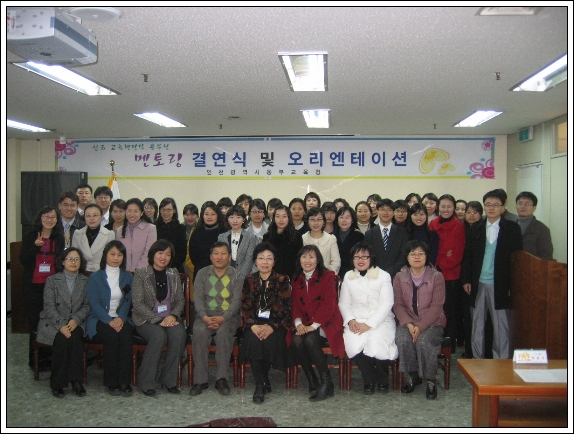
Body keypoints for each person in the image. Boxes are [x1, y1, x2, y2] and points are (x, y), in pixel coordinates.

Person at [462, 189, 523, 359]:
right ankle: (477, 359)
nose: (491, 208)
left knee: (501, 325)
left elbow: (517, 260)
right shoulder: (477, 227)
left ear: (503, 207)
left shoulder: (512, 228)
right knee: (477, 324)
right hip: (478, 283)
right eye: (488, 204)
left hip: (500, 284)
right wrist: (466, 280)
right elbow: (468, 256)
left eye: (496, 205)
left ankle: (501, 360)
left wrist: (512, 285)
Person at [338, 241, 398, 395]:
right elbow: (344, 303)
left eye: (364, 256)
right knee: (354, 343)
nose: (360, 260)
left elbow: (387, 303)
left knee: (378, 341)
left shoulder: (383, 276)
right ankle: (368, 379)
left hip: (381, 320)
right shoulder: (348, 276)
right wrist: (351, 320)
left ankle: (383, 379)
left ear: (372, 258)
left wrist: (370, 324)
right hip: (356, 320)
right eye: (357, 257)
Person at [132, 239, 186, 396]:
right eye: (160, 253)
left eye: (168, 254)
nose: (164, 257)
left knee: (179, 334)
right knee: (158, 336)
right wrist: (158, 320)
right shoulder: (141, 274)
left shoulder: (173, 274)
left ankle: (169, 380)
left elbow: (180, 300)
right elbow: (138, 304)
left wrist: (174, 315)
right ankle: (146, 382)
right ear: (152, 254)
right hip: (146, 319)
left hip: (169, 317)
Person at [393, 240, 446, 400]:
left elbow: (437, 306)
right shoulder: (400, 277)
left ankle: (430, 380)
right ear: (407, 257)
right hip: (408, 321)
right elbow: (398, 304)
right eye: (413, 254)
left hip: (432, 323)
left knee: (423, 341)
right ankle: (413, 375)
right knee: (402, 339)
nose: (417, 257)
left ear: (426, 256)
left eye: (421, 254)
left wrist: (421, 326)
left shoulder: (436, 276)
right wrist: (409, 324)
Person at [239, 242, 292, 404]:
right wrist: (253, 325)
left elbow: (286, 308)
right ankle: (260, 384)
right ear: (255, 261)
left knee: (269, 340)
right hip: (254, 322)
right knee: (253, 339)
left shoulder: (282, 280)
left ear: (274, 262)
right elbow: (245, 306)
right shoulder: (249, 279)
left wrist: (271, 326)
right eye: (261, 258)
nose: (265, 262)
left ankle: (261, 380)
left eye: (269, 258)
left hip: (275, 322)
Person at [290, 245, 344, 401]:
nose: (307, 260)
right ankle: (311, 378)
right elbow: (295, 304)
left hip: (327, 322)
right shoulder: (296, 278)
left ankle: (326, 382)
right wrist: (299, 324)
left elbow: (329, 305)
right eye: (304, 257)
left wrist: (312, 326)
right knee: (296, 339)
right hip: (305, 322)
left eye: (311, 257)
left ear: (318, 259)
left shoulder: (328, 276)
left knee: (310, 338)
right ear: (299, 260)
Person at [189, 242, 244, 396]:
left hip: (229, 317)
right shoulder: (202, 274)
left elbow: (236, 302)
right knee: (199, 330)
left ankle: (222, 378)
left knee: (224, 333)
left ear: (230, 257)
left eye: (223, 253)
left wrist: (223, 318)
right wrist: (205, 317)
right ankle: (200, 380)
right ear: (211, 256)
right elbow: (198, 300)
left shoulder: (237, 275)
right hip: (205, 316)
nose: (220, 257)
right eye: (216, 253)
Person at [36, 248, 90, 398]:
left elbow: (87, 305)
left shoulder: (85, 281)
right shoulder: (52, 280)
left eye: (76, 259)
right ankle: (57, 383)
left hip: (75, 322)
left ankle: (76, 381)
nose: (73, 262)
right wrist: (61, 325)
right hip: (53, 321)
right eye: (70, 259)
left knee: (75, 338)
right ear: (62, 262)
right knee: (61, 339)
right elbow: (49, 307)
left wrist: (76, 319)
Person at [86, 240, 134, 396]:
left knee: (126, 335)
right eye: (112, 254)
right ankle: (111, 382)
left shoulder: (128, 276)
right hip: (99, 319)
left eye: (120, 255)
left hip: (120, 318)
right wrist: (109, 320)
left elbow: (127, 300)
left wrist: (121, 318)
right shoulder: (95, 277)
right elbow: (94, 303)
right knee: (112, 336)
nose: (116, 258)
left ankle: (125, 381)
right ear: (105, 255)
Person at [20, 205, 65, 369]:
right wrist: (36, 246)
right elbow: (23, 259)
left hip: (51, 287)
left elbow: (60, 262)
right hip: (32, 286)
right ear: (40, 218)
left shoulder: (58, 238)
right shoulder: (31, 235)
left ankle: (49, 358)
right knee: (35, 323)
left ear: (57, 220)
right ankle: (35, 360)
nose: (49, 220)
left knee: (51, 322)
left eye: (53, 217)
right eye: (46, 216)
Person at [429, 194, 466, 353]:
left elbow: (457, 254)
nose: (445, 209)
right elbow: (430, 249)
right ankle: (434, 345)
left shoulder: (459, 226)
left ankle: (448, 348)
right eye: (443, 206)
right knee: (434, 311)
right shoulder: (433, 224)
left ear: (454, 208)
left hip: (450, 275)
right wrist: (442, 257)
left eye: (449, 206)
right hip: (432, 273)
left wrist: (441, 264)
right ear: (438, 207)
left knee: (449, 312)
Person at [364, 198, 408, 280]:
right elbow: (368, 256)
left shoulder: (402, 233)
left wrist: (391, 271)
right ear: (377, 211)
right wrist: (378, 272)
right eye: (382, 210)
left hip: (396, 276)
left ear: (394, 212)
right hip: (375, 276)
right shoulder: (369, 234)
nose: (386, 213)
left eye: (389, 210)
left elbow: (403, 256)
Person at [461, 200, 483, 358]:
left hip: (478, 279)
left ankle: (476, 351)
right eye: (468, 212)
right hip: (464, 278)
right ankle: (469, 350)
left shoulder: (482, 230)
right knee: (467, 316)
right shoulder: (462, 228)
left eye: (475, 212)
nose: (471, 215)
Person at [188, 201, 227, 281]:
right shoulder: (196, 232)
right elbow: (193, 255)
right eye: (206, 214)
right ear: (202, 215)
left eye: (213, 214)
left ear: (217, 215)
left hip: (221, 273)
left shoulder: (224, 231)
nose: (209, 217)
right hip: (201, 272)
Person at [116, 198, 157, 272]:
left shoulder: (150, 228)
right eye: (129, 211)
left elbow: (149, 252)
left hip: (143, 272)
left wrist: (137, 270)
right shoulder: (120, 230)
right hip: (124, 272)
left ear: (141, 213)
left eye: (136, 211)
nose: (132, 214)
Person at [72, 204, 116, 272]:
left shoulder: (109, 234)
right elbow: (74, 256)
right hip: (81, 272)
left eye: (95, 215)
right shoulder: (77, 234)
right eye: (88, 215)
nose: (91, 218)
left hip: (102, 272)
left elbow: (110, 257)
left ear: (101, 217)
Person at [262, 205, 303, 278]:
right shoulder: (267, 237)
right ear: (274, 218)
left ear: (289, 218)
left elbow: (298, 260)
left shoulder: (296, 236)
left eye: (284, 216)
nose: (281, 220)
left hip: (291, 276)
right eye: (278, 216)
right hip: (271, 276)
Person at [217, 205, 258, 277]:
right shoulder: (222, 237)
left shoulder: (251, 237)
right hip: (225, 275)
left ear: (243, 219)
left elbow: (249, 259)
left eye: (238, 217)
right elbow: (221, 258)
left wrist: (239, 277)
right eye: (231, 217)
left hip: (245, 276)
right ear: (227, 219)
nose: (235, 221)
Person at [515, 191, 553, 260]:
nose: (523, 206)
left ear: (534, 208)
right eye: (520, 203)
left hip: (532, 265)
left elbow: (546, 257)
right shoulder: (510, 226)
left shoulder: (542, 229)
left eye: (527, 204)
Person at [302, 207, 341, 274]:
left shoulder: (331, 238)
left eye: (319, 219)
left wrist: (326, 275)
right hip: (307, 275)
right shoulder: (303, 238)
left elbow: (336, 262)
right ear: (308, 222)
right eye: (312, 219)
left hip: (327, 276)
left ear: (324, 222)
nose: (316, 223)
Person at [155, 197, 187, 273]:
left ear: (174, 211)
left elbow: (182, 252)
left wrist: (167, 264)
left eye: (169, 210)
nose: (166, 212)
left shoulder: (180, 228)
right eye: (163, 210)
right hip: (156, 267)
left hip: (175, 268)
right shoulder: (153, 227)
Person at [333, 206, 364, 280]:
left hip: (354, 274)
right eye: (341, 217)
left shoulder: (359, 236)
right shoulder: (331, 236)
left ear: (352, 220)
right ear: (337, 219)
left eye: (347, 217)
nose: (344, 220)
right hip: (335, 274)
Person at [182, 203, 199, 278]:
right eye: (187, 215)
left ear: (197, 216)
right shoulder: (180, 229)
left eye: (192, 215)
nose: (189, 217)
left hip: (197, 263)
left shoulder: (200, 229)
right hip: (183, 264)